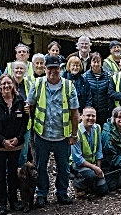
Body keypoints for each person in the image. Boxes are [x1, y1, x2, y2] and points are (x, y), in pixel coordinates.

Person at [26, 55, 80, 207]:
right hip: (42, 134)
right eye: (50, 68)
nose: (53, 71)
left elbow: (75, 113)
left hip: (62, 136)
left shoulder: (69, 86)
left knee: (63, 167)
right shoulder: (37, 84)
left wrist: (74, 134)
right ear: (45, 69)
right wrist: (32, 130)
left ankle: (62, 193)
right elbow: (30, 107)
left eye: (56, 68)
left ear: (60, 69)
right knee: (41, 167)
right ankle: (42, 194)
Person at [0, 74, 28, 215]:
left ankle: (14, 201)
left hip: (15, 145)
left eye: (9, 83)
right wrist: (2, 141)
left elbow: (24, 123)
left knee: (12, 174)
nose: (6, 86)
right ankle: (2, 204)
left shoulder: (20, 101)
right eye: (3, 83)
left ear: (13, 85)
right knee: (0, 175)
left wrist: (18, 138)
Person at [71, 107, 108, 197]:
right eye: (88, 115)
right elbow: (78, 159)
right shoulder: (76, 131)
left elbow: (99, 150)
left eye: (93, 116)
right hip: (77, 165)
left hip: (92, 164)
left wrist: (98, 168)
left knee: (103, 190)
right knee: (91, 175)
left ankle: (88, 185)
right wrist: (95, 168)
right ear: (82, 117)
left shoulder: (97, 128)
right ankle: (77, 184)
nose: (91, 118)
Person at [11, 60, 33, 167]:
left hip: (25, 124)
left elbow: (35, 101)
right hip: (9, 123)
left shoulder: (30, 84)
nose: (19, 70)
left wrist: (30, 108)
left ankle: (21, 177)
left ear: (25, 70)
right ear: (12, 70)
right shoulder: (7, 84)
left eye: (21, 68)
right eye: (17, 68)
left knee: (23, 153)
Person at [84, 52, 111, 125]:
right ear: (90, 63)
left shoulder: (107, 76)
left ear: (101, 63)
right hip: (91, 110)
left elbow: (110, 93)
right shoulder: (85, 76)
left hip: (104, 110)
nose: (96, 64)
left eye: (98, 62)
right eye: (94, 61)